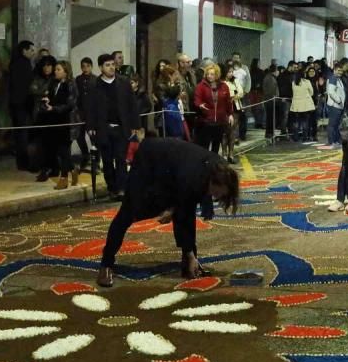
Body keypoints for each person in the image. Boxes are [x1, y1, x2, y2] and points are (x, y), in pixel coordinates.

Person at [96, 139, 239, 286]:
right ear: (213, 183)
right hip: (149, 161)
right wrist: (172, 209)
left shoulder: (220, 169)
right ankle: (106, 265)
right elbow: (184, 212)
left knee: (182, 211)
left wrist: (190, 254)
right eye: (216, 193)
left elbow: (185, 209)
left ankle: (189, 263)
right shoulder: (193, 177)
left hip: (172, 170)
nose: (215, 197)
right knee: (127, 213)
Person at [84, 54, 141, 200]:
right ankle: (112, 188)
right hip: (103, 128)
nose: (111, 67)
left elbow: (132, 105)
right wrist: (90, 126)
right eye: (107, 65)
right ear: (101, 68)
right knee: (107, 160)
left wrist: (135, 125)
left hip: (121, 127)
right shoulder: (94, 85)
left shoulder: (123, 82)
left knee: (121, 159)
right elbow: (89, 107)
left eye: (112, 64)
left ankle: (122, 188)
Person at [42, 60, 78, 190]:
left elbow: (70, 104)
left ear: (65, 71)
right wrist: (47, 101)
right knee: (59, 150)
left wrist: (55, 108)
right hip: (55, 122)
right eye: (55, 69)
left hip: (67, 122)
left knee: (64, 150)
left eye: (58, 69)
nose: (55, 71)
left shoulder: (71, 84)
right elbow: (52, 98)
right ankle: (73, 169)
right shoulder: (54, 83)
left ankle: (63, 178)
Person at [194, 63, 233, 156]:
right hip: (206, 121)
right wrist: (200, 105)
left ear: (217, 75)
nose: (209, 76)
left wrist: (230, 114)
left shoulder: (224, 86)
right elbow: (197, 99)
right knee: (205, 146)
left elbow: (228, 102)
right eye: (208, 74)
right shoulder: (201, 86)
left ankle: (214, 165)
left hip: (220, 121)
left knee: (216, 145)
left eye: (212, 74)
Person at [9, 41, 37, 170]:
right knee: (23, 134)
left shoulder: (15, 63)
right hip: (23, 104)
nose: (33, 53)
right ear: (24, 51)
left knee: (20, 133)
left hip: (16, 103)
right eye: (31, 50)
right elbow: (25, 87)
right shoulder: (23, 65)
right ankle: (24, 162)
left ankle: (22, 161)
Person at [30, 55, 57, 181]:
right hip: (39, 114)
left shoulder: (55, 79)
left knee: (52, 144)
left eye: (49, 65)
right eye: (44, 66)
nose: (47, 68)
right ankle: (44, 167)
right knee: (41, 144)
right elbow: (33, 90)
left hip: (52, 115)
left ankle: (53, 167)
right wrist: (44, 92)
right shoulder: (38, 78)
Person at [74, 57, 96, 171]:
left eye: (88, 66)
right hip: (81, 112)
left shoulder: (96, 80)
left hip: (92, 113)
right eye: (83, 66)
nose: (86, 68)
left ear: (91, 66)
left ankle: (95, 161)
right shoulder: (78, 79)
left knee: (94, 138)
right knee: (79, 136)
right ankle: (85, 155)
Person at [290, 67, 316, 142]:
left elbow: (293, 92)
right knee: (305, 122)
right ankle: (305, 138)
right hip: (305, 105)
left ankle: (295, 137)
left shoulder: (293, 82)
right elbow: (312, 92)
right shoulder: (307, 82)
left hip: (296, 105)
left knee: (296, 122)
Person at [325, 64, 347, 147]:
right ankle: (331, 141)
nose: (340, 72)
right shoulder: (333, 78)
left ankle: (337, 140)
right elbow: (331, 92)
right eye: (338, 70)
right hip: (335, 105)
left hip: (338, 106)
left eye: (341, 71)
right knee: (333, 124)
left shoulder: (338, 79)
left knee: (336, 124)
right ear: (334, 70)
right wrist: (338, 101)